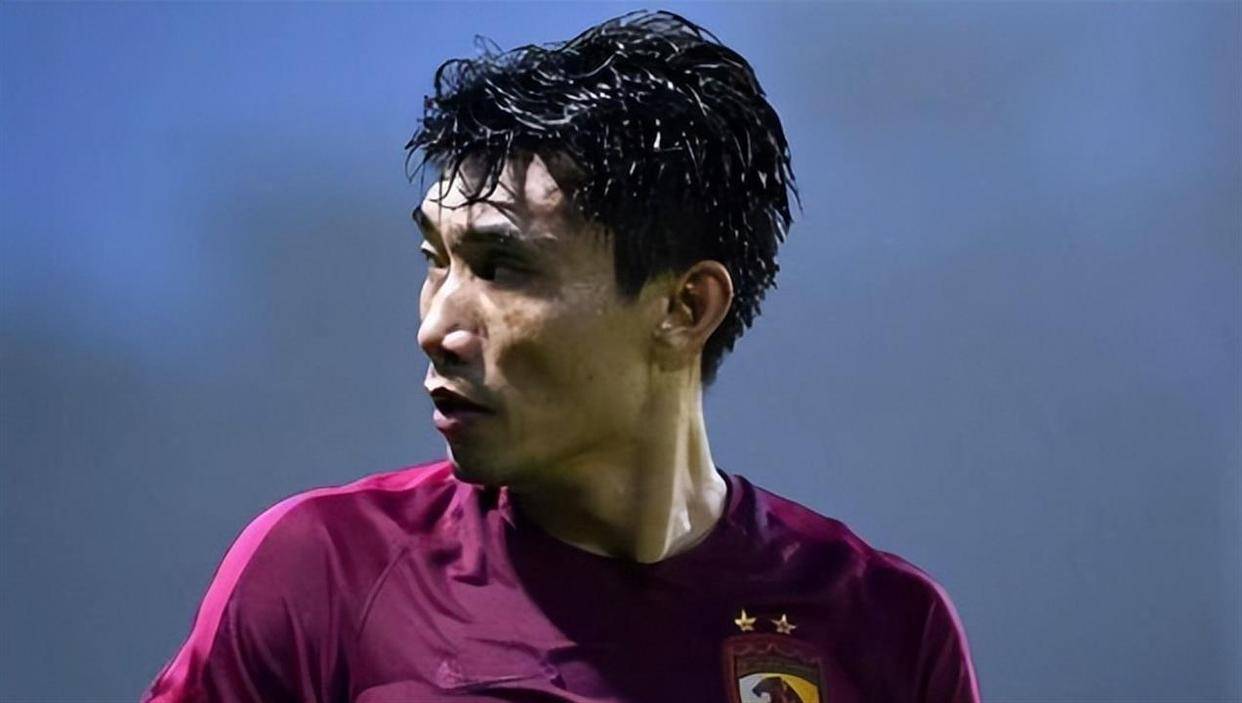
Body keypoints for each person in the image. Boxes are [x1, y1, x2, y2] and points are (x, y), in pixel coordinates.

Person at [142, 10, 980, 702]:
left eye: (503, 268)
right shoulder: (324, 574)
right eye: (436, 259)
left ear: (685, 307)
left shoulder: (885, 628)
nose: (437, 326)